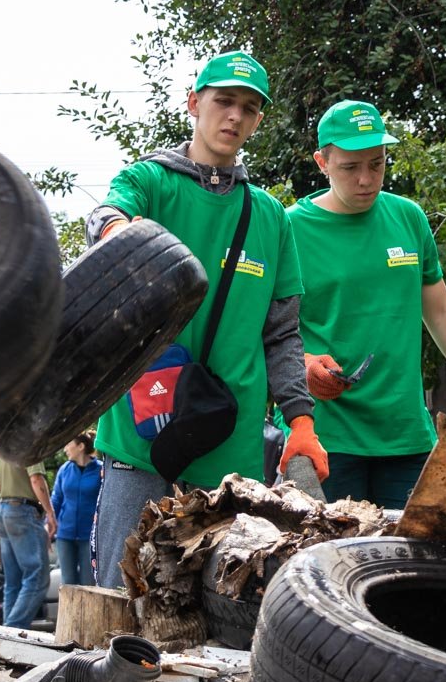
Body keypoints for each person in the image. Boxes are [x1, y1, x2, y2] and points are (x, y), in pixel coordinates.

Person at [84, 50, 327, 588]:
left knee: (218, 610)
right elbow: (105, 213)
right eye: (223, 101)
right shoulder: (152, 182)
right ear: (194, 103)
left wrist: (301, 422)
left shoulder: (268, 216)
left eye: (249, 107)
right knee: (120, 598)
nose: (234, 117)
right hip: (143, 431)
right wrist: (116, 233)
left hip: (231, 448)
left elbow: (282, 333)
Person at [287, 101, 446, 507]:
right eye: (350, 167)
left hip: (405, 434)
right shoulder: (289, 228)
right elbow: (268, 326)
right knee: (333, 561)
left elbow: (440, 310)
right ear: (322, 162)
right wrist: (302, 363)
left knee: (409, 563)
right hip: (326, 438)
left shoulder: (408, 218)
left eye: (377, 164)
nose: (366, 179)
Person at [0, 454, 54, 629]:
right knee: (37, 577)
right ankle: (14, 628)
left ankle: (6, 633)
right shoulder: (31, 446)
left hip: (3, 509)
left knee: (13, 580)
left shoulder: (0, 447)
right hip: (23, 511)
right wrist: (49, 512)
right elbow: (36, 479)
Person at [50, 431, 101, 586]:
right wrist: (49, 523)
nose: (65, 449)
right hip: (65, 535)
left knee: (88, 583)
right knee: (68, 584)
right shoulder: (64, 470)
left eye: (68, 444)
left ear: (80, 446)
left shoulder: (100, 470)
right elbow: (56, 499)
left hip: (89, 536)